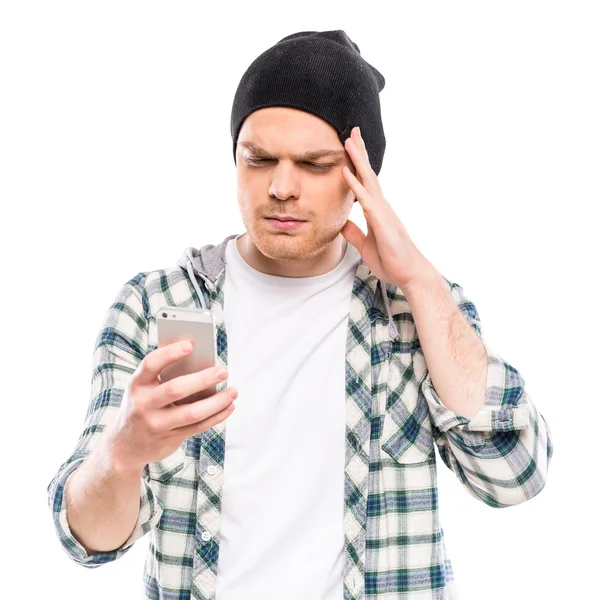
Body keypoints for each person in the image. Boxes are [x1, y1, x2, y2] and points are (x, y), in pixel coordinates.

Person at [47, 30, 553, 600]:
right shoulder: (157, 306)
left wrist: (421, 281)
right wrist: (122, 453)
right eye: (259, 159)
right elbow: (89, 541)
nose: (281, 187)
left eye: (314, 164)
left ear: (362, 177)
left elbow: (515, 477)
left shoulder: (414, 310)